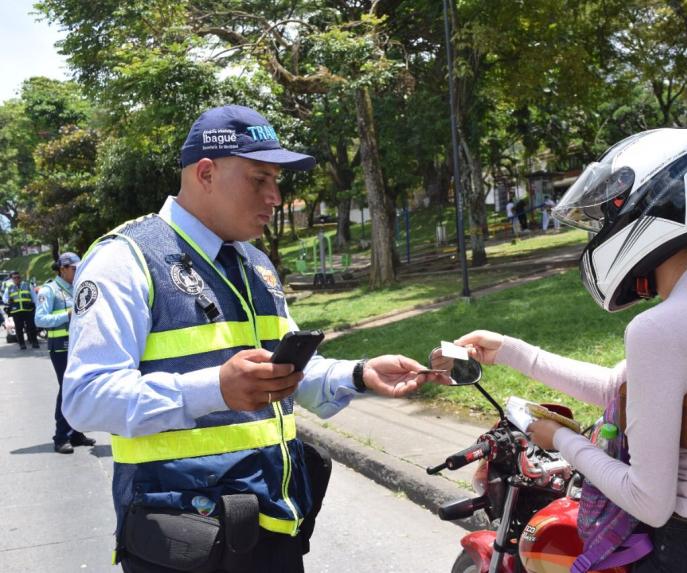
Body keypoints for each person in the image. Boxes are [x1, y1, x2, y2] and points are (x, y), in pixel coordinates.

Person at [63, 105, 443, 572]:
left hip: (272, 530)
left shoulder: (254, 265)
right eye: (259, 180)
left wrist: (360, 374)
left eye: (276, 181)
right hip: (182, 542)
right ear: (206, 173)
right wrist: (214, 389)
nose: (276, 197)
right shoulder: (125, 260)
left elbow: (282, 374)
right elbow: (85, 399)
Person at [453, 127, 687, 573]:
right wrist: (510, 351)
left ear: (650, 207)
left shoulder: (659, 327)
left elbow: (649, 502)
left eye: (609, 216)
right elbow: (623, 388)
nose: (602, 232)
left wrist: (561, 440)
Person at [35, 252, 96, 454]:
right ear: (62, 268)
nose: (77, 271)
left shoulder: (77, 287)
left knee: (79, 389)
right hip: (60, 347)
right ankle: (60, 437)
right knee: (66, 390)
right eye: (73, 269)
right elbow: (40, 319)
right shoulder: (49, 290)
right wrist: (66, 314)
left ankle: (75, 432)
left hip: (78, 346)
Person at [2, 270, 40, 350]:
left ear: (21, 278)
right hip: (16, 311)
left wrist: (36, 306)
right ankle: (22, 344)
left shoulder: (27, 285)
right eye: (14, 278)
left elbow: (34, 297)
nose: (16, 279)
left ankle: (34, 342)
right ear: (12, 279)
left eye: (18, 277)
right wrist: (8, 301)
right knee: (19, 329)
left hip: (28, 310)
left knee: (31, 327)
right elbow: (4, 298)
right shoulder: (9, 288)